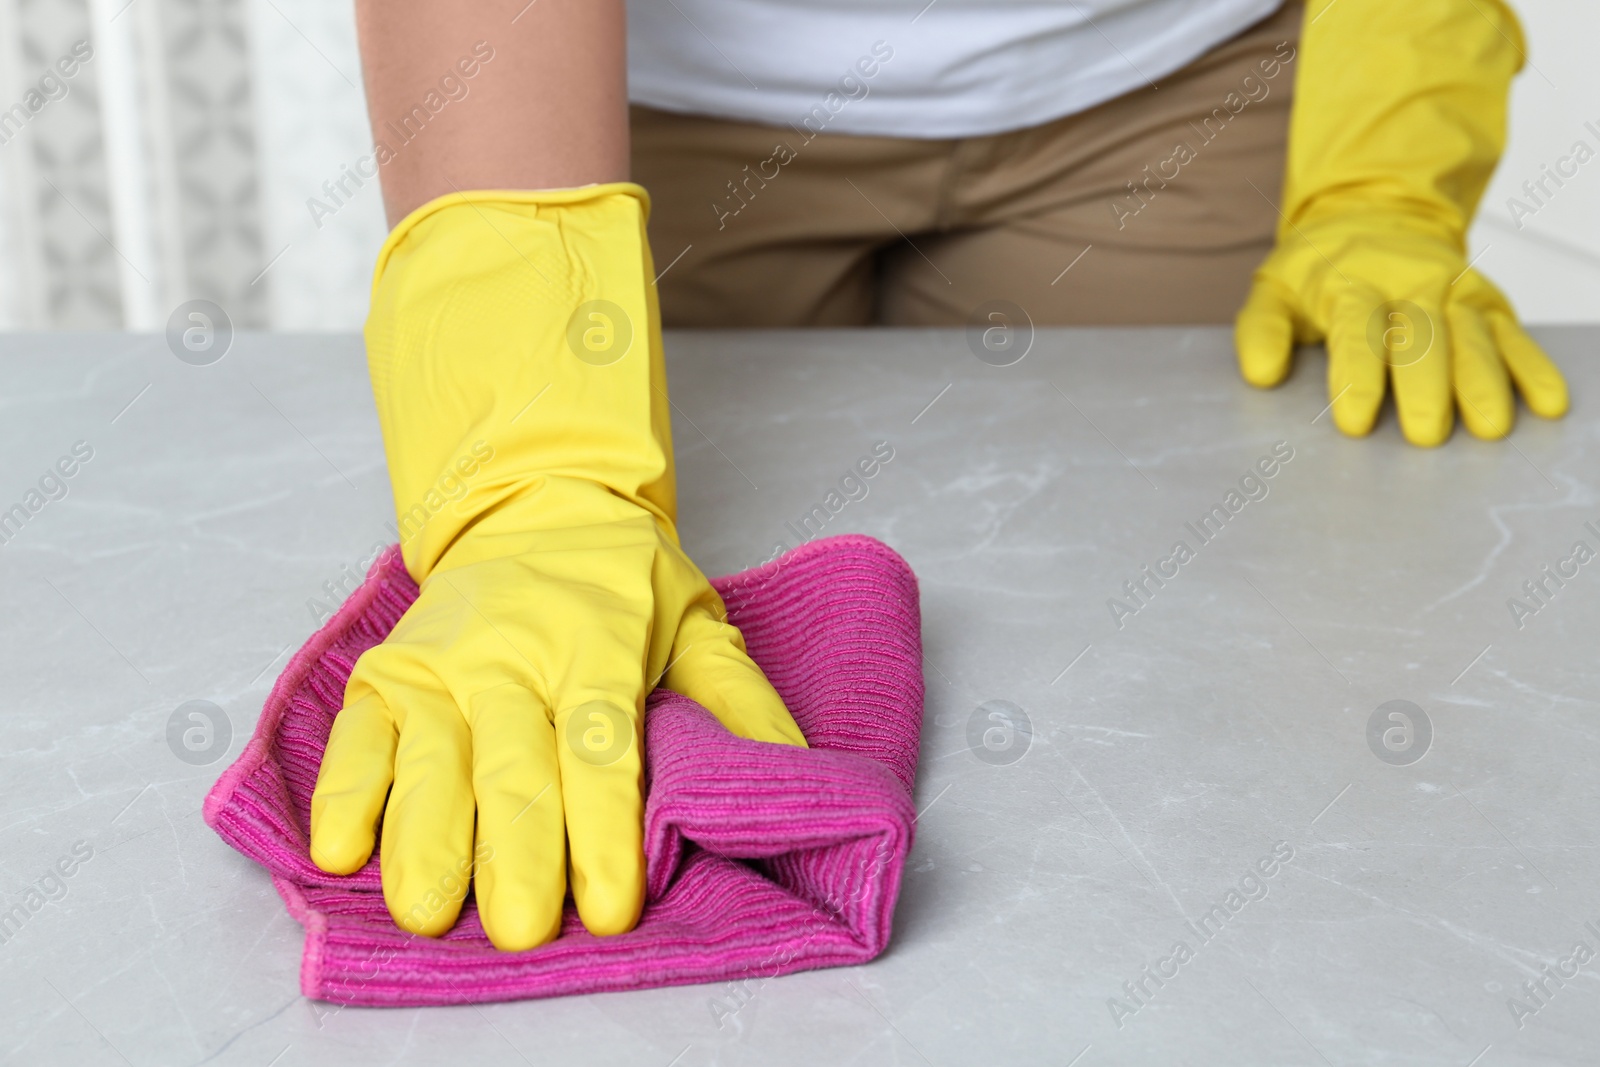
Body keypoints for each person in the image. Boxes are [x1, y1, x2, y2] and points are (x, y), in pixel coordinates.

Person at [308, 0, 1569, 951]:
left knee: (1199, 694)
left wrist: (1380, 177)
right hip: (635, 108)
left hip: (1179, 81)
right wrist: (535, 484)